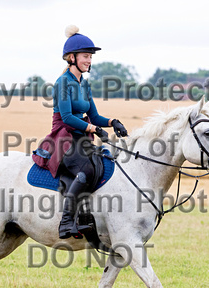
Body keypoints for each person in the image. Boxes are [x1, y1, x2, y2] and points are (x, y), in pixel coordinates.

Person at [32, 25, 128, 239]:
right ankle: (66, 222)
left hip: (81, 138)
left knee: (101, 164)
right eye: (86, 56)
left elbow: (94, 116)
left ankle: (87, 218)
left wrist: (113, 122)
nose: (89, 60)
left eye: (90, 57)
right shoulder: (62, 82)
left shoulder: (84, 84)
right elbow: (67, 118)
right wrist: (94, 129)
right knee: (85, 171)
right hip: (63, 138)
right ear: (71, 57)